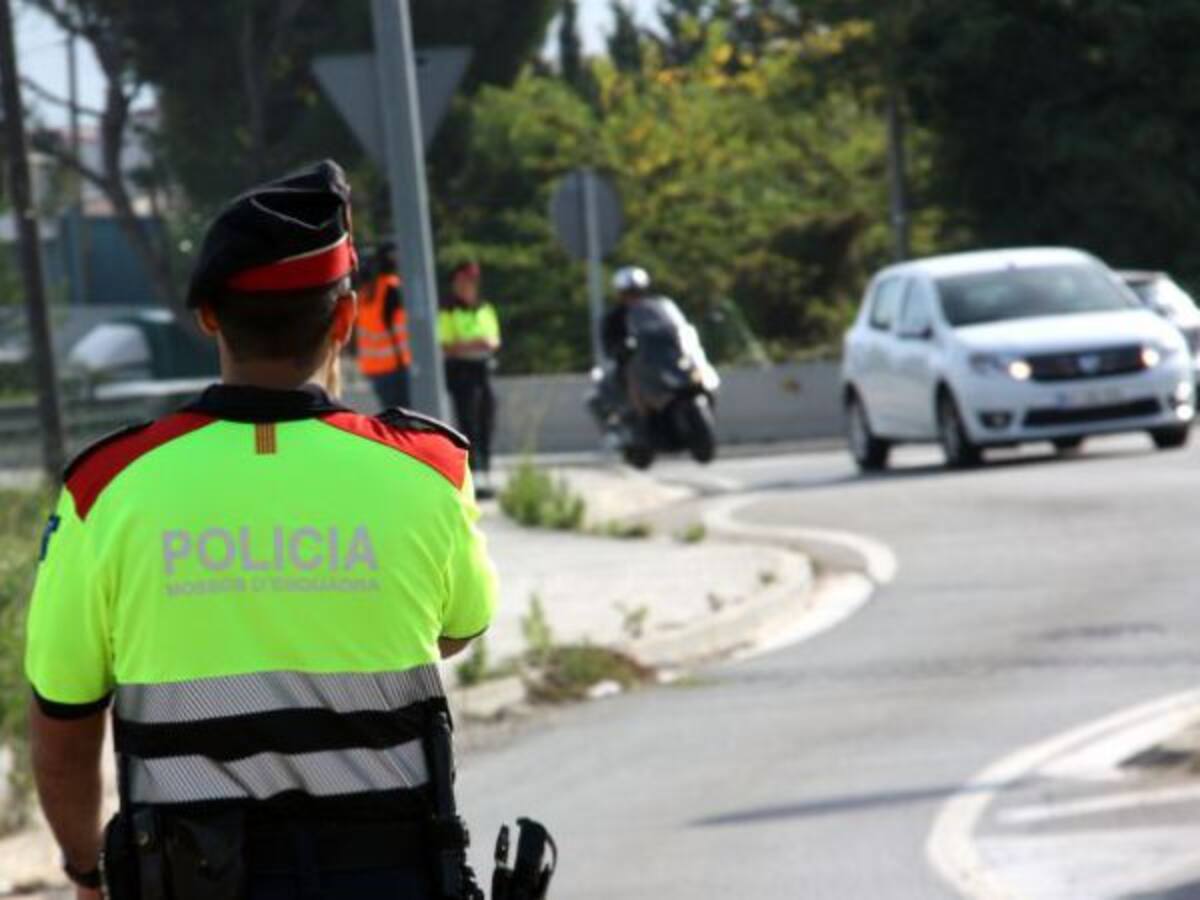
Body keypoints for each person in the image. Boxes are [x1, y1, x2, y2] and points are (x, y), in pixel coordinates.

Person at [24, 160, 497, 900]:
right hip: (390, 878)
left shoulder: (105, 488)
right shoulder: (430, 468)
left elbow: (63, 716)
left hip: (190, 879)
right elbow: (461, 625)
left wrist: (88, 871)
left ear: (209, 317)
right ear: (346, 318)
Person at [439, 261, 500, 497]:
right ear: (456, 283)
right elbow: (448, 346)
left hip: (482, 370)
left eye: (472, 281)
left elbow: (494, 341)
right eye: (463, 281)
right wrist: (477, 343)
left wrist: (468, 344)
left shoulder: (485, 308)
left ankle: (486, 472)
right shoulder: (448, 310)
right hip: (461, 372)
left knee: (486, 420)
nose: (468, 286)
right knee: (468, 424)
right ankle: (472, 476)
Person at [355, 241, 412, 409]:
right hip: (395, 365)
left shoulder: (363, 293)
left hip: (374, 366)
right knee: (403, 417)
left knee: (391, 417)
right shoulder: (391, 288)